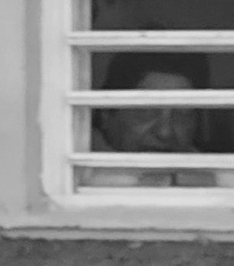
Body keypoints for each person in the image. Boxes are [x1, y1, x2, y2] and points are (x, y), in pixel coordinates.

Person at [86, 52, 214, 187]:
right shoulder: (80, 178)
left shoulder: (210, 181)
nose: (165, 132)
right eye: (146, 111)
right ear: (105, 114)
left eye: (182, 114)